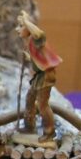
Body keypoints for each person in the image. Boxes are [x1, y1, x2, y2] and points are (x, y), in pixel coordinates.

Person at [16, 10, 62, 142]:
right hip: (39, 76)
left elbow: (39, 33)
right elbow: (39, 59)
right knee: (30, 99)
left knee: (42, 105)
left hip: (46, 76)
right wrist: (28, 58)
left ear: (28, 27)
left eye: (21, 26)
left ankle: (49, 131)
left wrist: (26, 21)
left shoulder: (37, 38)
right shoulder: (31, 42)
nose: (17, 29)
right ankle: (30, 126)